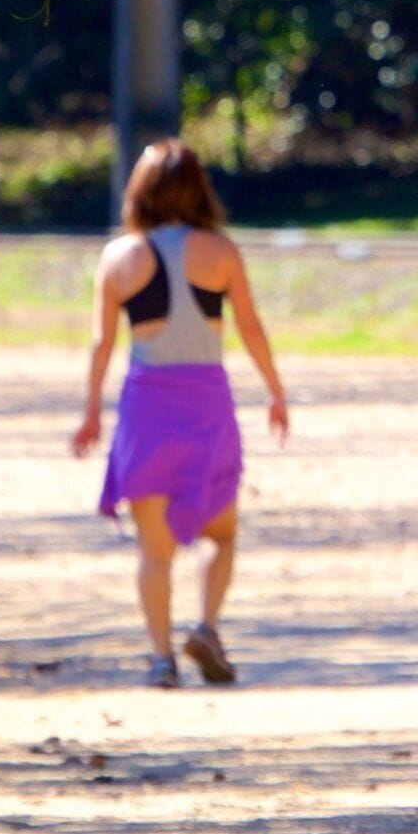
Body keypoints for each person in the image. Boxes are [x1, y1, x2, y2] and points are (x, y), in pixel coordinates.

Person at [70, 141, 292, 688]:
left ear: (140, 191)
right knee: (223, 532)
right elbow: (250, 327)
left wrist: (91, 412)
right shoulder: (220, 251)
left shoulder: (118, 257)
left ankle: (161, 658)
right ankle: (208, 627)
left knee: (154, 550)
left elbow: (102, 342)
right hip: (206, 405)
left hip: (146, 408)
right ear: (199, 189)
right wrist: (275, 391)